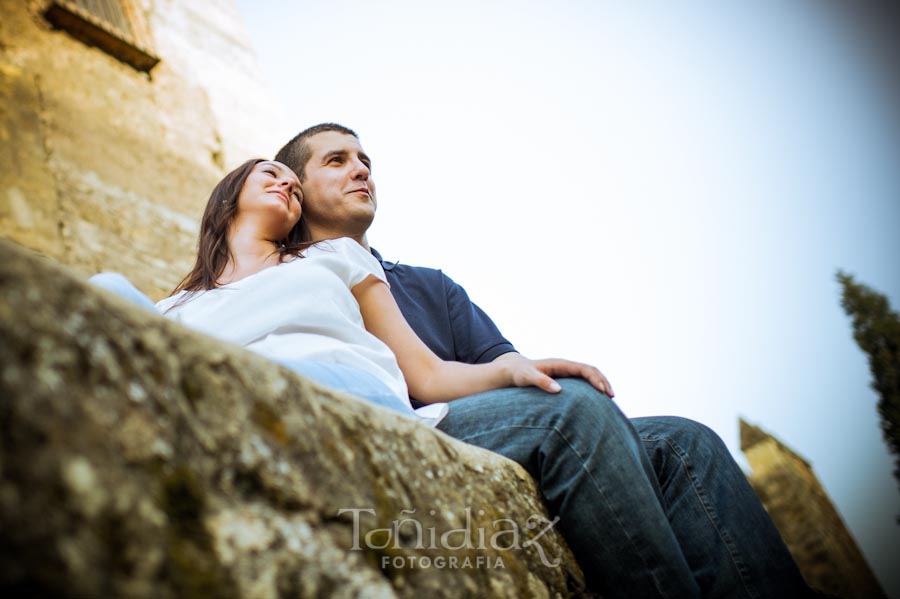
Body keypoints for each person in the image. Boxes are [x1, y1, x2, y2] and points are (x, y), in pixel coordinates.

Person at [274, 123, 814, 598]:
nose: (361, 170)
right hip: (402, 426)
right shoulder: (286, 277)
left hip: (488, 424)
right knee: (573, 411)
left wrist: (530, 371)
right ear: (296, 188)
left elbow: (505, 366)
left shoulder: (430, 285)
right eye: (337, 160)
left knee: (684, 441)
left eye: (366, 160)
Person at [92, 158, 610, 428]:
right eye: (270, 176)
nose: (287, 186)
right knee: (107, 291)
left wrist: (510, 367)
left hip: (344, 390)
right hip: (228, 390)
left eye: (296, 187)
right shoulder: (175, 308)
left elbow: (425, 374)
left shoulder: (334, 256)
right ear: (228, 199)